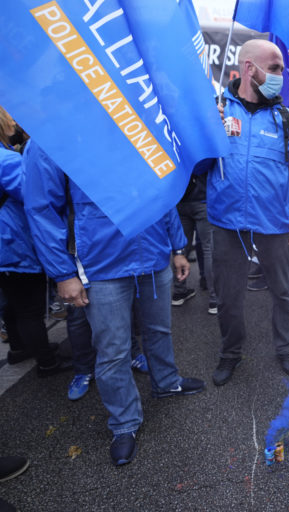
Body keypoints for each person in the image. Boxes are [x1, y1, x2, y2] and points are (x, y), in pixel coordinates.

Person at [23, 140, 205, 466]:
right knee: (112, 350)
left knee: (159, 330)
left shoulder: (132, 114)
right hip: (100, 266)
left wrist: (178, 247)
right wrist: (63, 273)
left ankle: (166, 383)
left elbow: (161, 191)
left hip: (153, 257)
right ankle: (124, 423)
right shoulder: (54, 132)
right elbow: (41, 208)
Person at [204, 39, 289, 385]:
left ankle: (286, 351)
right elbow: (195, 169)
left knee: (282, 292)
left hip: (275, 225)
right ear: (250, 68)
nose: (281, 75)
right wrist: (207, 133)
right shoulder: (217, 109)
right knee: (228, 296)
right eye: (275, 67)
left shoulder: (285, 119)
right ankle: (230, 353)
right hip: (228, 224)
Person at [0, 145, 71, 376]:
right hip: (14, 245)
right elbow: (34, 192)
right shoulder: (5, 159)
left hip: (5, 248)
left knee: (13, 302)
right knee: (30, 308)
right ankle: (47, 362)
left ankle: (19, 348)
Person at [171, 174, 217, 315]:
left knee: (180, 248)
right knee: (209, 248)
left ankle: (179, 291)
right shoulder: (202, 151)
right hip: (203, 198)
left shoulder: (176, 150)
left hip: (180, 198)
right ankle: (215, 299)